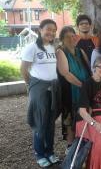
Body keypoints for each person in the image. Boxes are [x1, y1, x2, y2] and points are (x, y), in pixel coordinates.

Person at [20, 19, 60, 167]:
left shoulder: (51, 47)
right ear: (40, 30)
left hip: (53, 89)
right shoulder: (32, 48)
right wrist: (30, 85)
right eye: (48, 29)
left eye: (54, 30)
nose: (51, 32)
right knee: (39, 122)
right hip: (39, 89)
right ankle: (39, 154)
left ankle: (50, 152)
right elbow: (23, 69)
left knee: (50, 123)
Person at [56, 26, 90, 154]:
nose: (71, 38)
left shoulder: (80, 51)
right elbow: (66, 74)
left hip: (84, 89)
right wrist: (83, 86)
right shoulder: (61, 52)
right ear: (62, 39)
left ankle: (83, 141)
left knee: (83, 115)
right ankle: (70, 146)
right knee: (70, 117)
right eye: (67, 37)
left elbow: (89, 68)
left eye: (73, 35)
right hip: (71, 91)